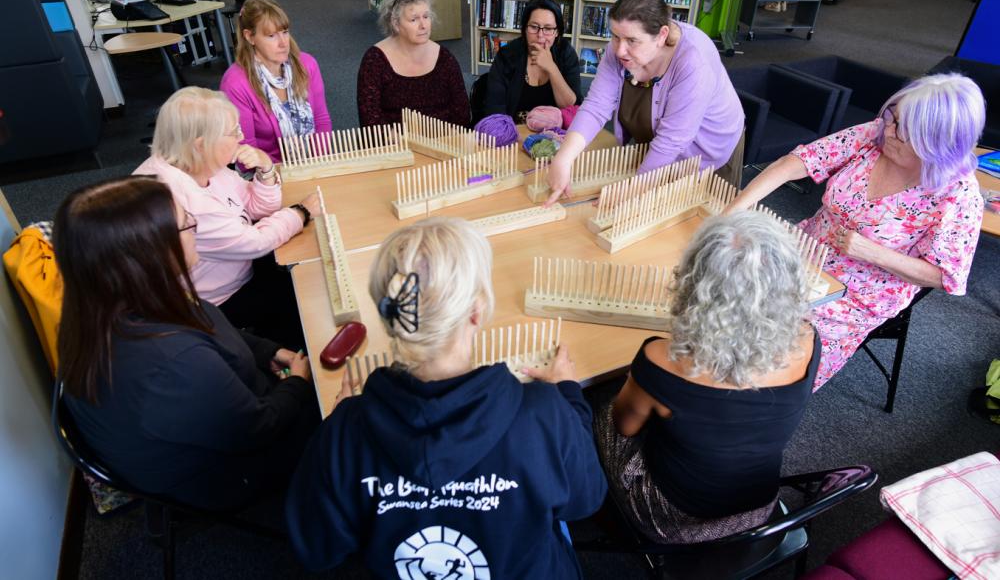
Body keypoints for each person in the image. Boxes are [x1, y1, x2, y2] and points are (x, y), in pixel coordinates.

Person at [285, 217, 607, 577]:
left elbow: (316, 549)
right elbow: (585, 499)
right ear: (477, 310)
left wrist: (339, 427)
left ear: (391, 316)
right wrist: (568, 395)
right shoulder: (545, 412)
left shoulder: (345, 431)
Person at [57, 177, 317, 511]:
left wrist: (268, 352)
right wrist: (298, 385)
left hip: (205, 426)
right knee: (347, 411)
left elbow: (210, 324)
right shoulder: (174, 359)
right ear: (150, 252)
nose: (196, 228)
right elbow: (257, 429)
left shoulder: (103, 304)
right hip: (224, 471)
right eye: (186, 224)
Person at [727, 73, 985, 390]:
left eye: (903, 129)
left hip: (859, 296)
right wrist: (734, 210)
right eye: (892, 117)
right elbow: (799, 161)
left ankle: (747, 410)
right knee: (727, 293)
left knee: (774, 359)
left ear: (935, 142)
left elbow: (945, 276)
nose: (888, 130)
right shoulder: (878, 135)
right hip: (806, 250)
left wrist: (871, 252)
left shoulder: (958, 195)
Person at [595, 211, 819, 544]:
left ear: (695, 283)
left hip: (676, 520)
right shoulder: (807, 339)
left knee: (597, 408)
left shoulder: (663, 360)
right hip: (759, 508)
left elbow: (623, 426)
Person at [134, 87, 320, 350]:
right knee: (305, 302)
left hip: (239, 267)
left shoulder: (203, 164)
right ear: (201, 144)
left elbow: (258, 209)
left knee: (300, 275)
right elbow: (253, 241)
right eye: (234, 132)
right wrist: (301, 212)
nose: (242, 138)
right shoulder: (177, 198)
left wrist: (265, 168)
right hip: (216, 303)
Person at [544, 0, 743, 205]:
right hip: (661, 147)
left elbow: (671, 141)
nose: (619, 50)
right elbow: (595, 107)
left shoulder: (694, 62)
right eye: (615, 36)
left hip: (708, 149)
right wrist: (563, 158)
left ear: (662, 36)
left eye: (632, 40)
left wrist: (634, 188)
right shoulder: (620, 49)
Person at [221, 0, 332, 162]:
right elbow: (245, 149)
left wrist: (318, 164)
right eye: (271, 36)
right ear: (250, 37)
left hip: (311, 163)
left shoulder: (307, 64)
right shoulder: (235, 84)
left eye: (285, 32)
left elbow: (321, 120)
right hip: (265, 173)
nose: (283, 43)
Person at [357, 0, 470, 128]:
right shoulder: (374, 61)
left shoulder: (445, 58)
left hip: (443, 143)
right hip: (395, 146)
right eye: (414, 19)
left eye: (426, 16)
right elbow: (370, 121)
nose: (423, 25)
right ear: (396, 23)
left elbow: (462, 113)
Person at [482, 0, 581, 122]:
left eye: (548, 28)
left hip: (555, 135)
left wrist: (551, 68)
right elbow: (494, 110)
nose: (540, 35)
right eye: (534, 27)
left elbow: (572, 108)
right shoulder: (507, 55)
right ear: (524, 28)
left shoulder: (566, 53)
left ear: (557, 32)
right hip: (513, 133)